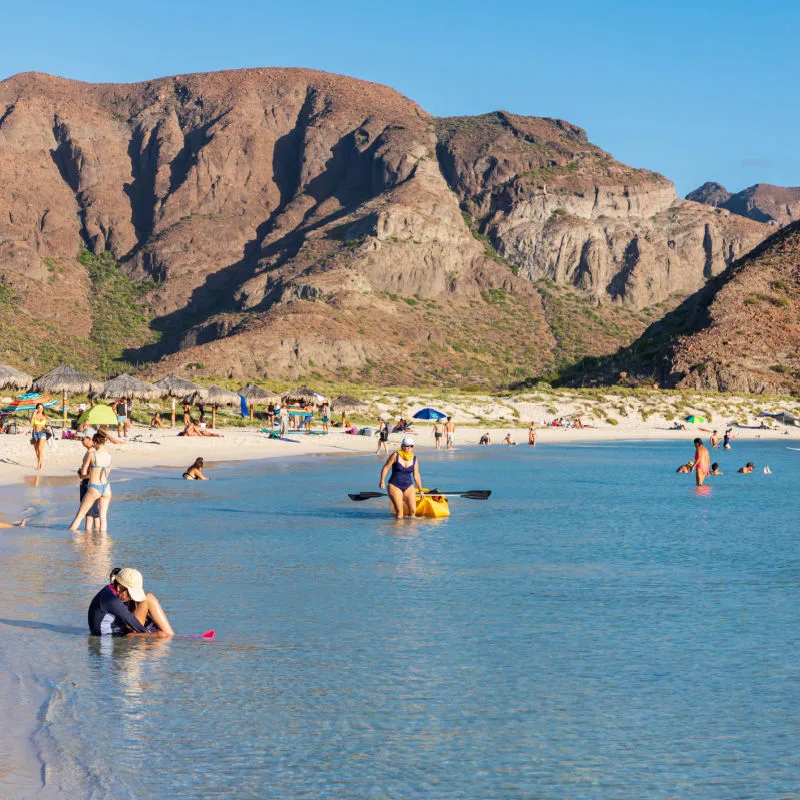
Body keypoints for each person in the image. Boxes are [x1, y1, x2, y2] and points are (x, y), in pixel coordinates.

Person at [88, 567, 173, 636]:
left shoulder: (112, 590)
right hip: (112, 639)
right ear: (119, 588)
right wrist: (156, 635)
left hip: (120, 630)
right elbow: (134, 624)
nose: (131, 598)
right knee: (162, 635)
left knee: (148, 598)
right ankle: (170, 637)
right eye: (131, 594)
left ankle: (170, 635)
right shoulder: (112, 601)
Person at [69, 431, 113, 531]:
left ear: (95, 442)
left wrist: (82, 474)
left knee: (79, 516)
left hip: (94, 487)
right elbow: (108, 474)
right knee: (103, 518)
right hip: (106, 487)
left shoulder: (92, 455)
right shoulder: (109, 457)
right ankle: (103, 543)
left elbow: (84, 472)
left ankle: (69, 538)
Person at [379, 436, 422, 519]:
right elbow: (386, 467)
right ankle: (397, 530)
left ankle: (409, 531)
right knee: (400, 514)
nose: (409, 448)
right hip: (395, 485)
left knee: (413, 512)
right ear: (402, 446)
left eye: (411, 446)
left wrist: (420, 490)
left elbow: (416, 475)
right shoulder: (396, 455)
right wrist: (382, 481)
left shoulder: (414, 458)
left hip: (408, 486)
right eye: (407, 446)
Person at [77, 435, 102, 531]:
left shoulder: (91, 452)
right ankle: (97, 534)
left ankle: (88, 535)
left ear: (90, 439)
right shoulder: (93, 451)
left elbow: (92, 468)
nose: (81, 441)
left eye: (83, 439)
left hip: (88, 481)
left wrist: (83, 474)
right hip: (91, 481)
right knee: (95, 511)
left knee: (88, 510)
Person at [29, 402, 50, 470]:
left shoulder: (44, 417)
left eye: (41, 407)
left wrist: (45, 428)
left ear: (43, 408)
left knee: (40, 449)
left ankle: (38, 464)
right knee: (36, 450)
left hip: (42, 433)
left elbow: (47, 426)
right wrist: (33, 413)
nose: (40, 409)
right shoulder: (34, 415)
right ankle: (41, 462)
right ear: (36, 408)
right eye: (39, 407)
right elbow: (31, 423)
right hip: (34, 434)